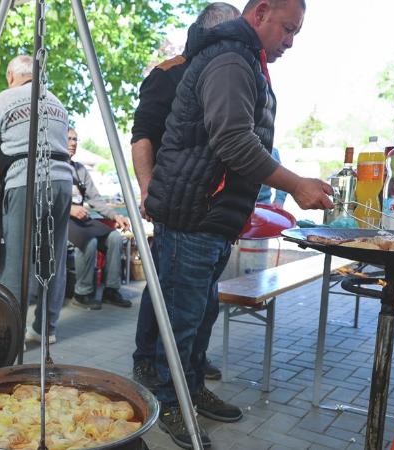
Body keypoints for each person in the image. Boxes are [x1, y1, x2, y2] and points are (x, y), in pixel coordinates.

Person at [144, 0, 334, 447]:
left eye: (295, 33)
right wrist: (296, 185)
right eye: (287, 29)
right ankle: (170, 404)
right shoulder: (231, 58)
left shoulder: (245, 59)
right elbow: (232, 140)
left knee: (202, 314)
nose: (290, 41)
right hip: (190, 215)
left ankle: (190, 390)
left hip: (211, 218)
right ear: (261, 12)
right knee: (182, 320)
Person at [129, 1, 241, 410]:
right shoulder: (169, 73)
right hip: (175, 200)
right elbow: (142, 136)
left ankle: (185, 369)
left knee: (187, 293)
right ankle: (149, 363)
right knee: (167, 285)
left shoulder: (228, 72)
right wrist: (148, 191)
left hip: (211, 210)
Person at [0, 54, 72, 344]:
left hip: (25, 181)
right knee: (52, 260)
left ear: (10, 75)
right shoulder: (56, 101)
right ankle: (46, 329)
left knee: (15, 261)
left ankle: (7, 335)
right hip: (62, 182)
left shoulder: (6, 98)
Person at [65, 128, 132, 310]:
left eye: (76, 140)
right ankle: (82, 293)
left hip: (81, 220)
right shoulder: (51, 167)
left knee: (115, 237)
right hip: (60, 220)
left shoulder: (80, 170)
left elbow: (95, 199)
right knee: (90, 241)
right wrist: (70, 208)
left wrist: (115, 216)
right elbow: (43, 199)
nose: (73, 143)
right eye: (69, 139)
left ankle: (111, 290)